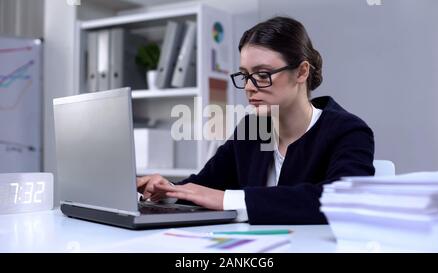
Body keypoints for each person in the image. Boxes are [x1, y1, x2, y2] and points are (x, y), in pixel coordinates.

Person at [137, 16, 374, 224]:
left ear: (302, 72)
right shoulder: (252, 128)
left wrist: (228, 199)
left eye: (263, 75)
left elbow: (344, 202)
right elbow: (206, 185)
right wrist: (168, 191)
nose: (249, 87)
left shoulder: (348, 131)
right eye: (245, 75)